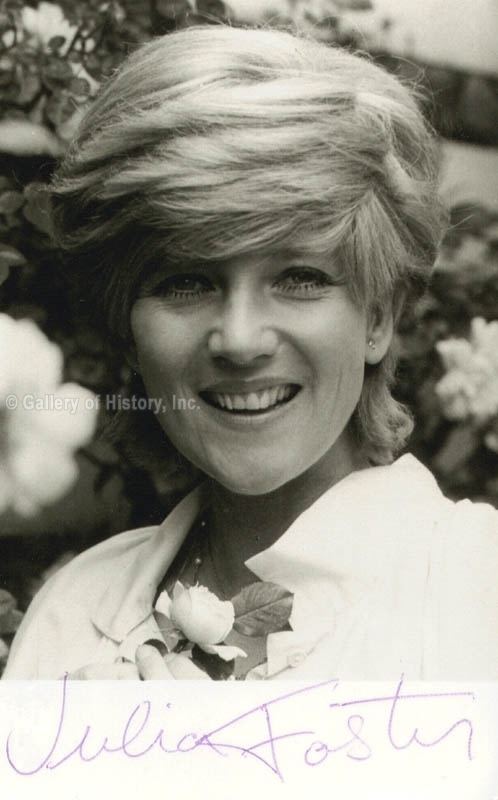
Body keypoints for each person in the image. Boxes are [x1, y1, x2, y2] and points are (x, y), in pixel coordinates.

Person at [4, 24, 497, 681]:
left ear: (379, 315)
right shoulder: (75, 609)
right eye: (185, 280)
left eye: (300, 278)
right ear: (127, 329)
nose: (239, 339)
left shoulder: (476, 588)